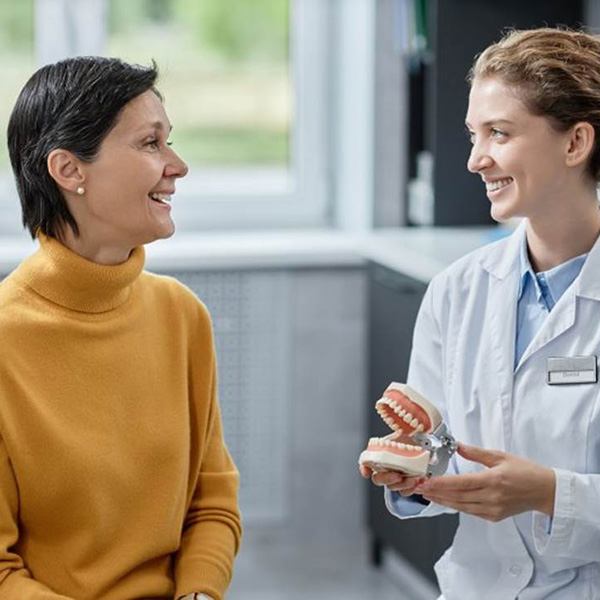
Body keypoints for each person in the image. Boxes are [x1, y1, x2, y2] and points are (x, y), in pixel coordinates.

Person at [360, 27, 600, 599]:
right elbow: (440, 448)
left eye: (499, 133)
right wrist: (415, 475)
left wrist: (548, 493)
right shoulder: (457, 290)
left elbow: (539, 491)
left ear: (575, 143)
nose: (474, 160)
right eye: (474, 134)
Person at [0, 57, 241, 599]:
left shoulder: (181, 316)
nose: (176, 165)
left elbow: (213, 501)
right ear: (69, 170)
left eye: (169, 141)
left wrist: (199, 592)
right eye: (150, 143)